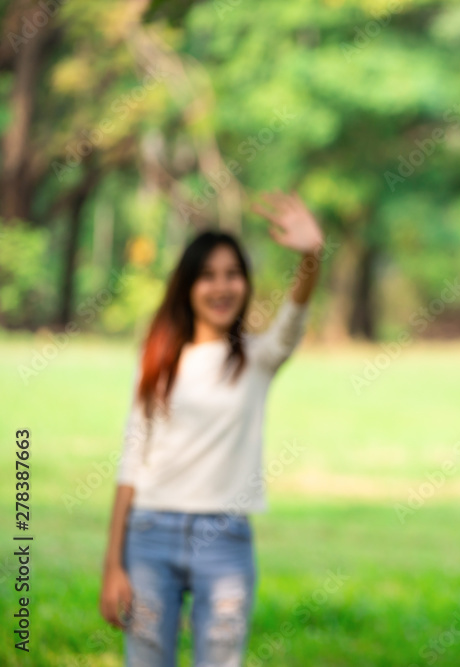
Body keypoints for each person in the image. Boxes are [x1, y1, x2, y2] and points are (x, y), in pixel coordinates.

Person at [98, 192, 325, 666]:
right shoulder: (159, 359)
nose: (221, 287)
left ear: (245, 283)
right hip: (150, 532)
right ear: (187, 286)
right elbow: (132, 458)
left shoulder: (257, 358)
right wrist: (112, 564)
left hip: (225, 540)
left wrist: (311, 256)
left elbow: (294, 317)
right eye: (208, 276)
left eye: (232, 275)